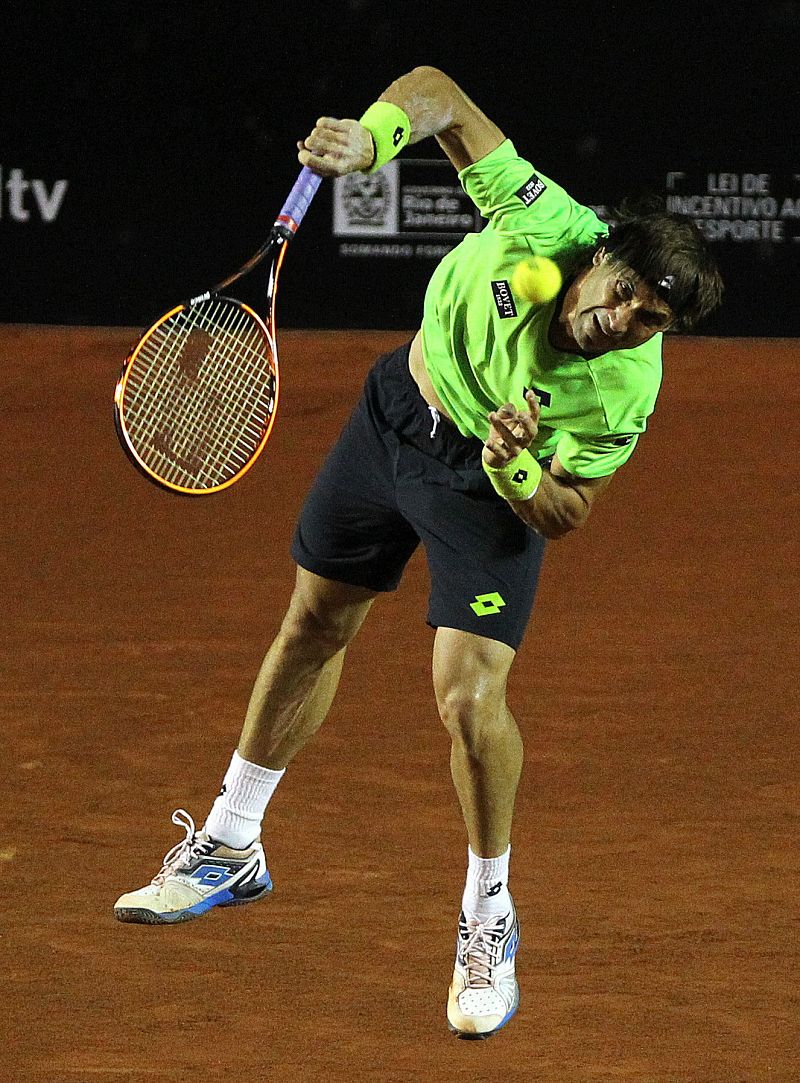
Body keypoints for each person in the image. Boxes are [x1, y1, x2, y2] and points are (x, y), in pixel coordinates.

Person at [114, 66, 723, 1039]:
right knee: (311, 622)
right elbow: (435, 91)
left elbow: (570, 512)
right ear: (597, 256)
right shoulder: (542, 218)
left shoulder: (623, 390)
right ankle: (230, 844)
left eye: (648, 321)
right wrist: (371, 141)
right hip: (392, 413)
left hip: (479, 491)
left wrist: (519, 470)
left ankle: (488, 916)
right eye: (621, 295)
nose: (622, 324)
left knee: (466, 697)